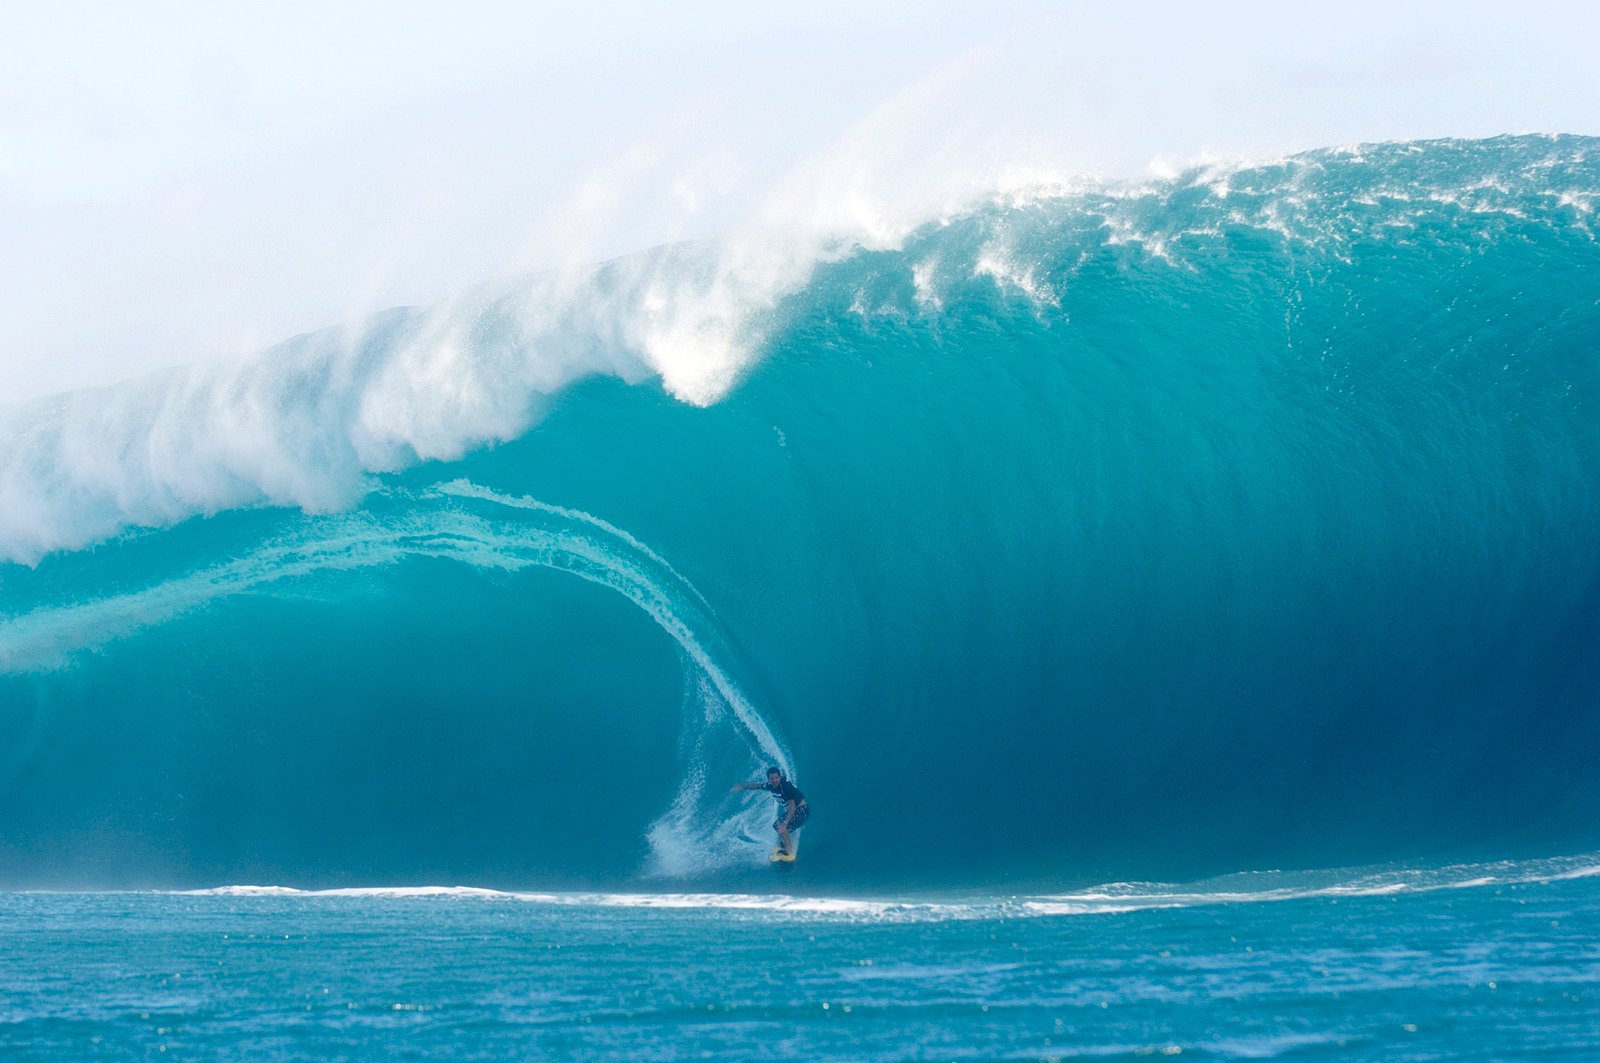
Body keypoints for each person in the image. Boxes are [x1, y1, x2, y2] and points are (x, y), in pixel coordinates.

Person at [732, 766, 809, 855]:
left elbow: (792, 806)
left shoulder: (785, 787)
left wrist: (785, 823)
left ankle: (789, 851)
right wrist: (743, 786)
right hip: (797, 811)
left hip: (802, 810)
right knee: (776, 826)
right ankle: (784, 845)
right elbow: (757, 786)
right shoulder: (770, 786)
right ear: (768, 779)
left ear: (780, 777)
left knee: (782, 827)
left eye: (777, 777)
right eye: (772, 778)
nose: (774, 780)